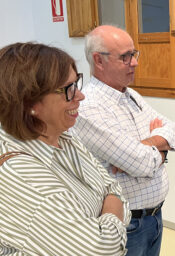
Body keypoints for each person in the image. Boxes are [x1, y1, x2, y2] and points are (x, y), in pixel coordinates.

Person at [0, 42, 130, 255]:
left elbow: (112, 186)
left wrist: (109, 210)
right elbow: (102, 249)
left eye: (76, 83)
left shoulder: (64, 136)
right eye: (68, 89)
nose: (80, 96)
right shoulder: (23, 176)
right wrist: (113, 207)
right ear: (29, 102)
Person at [73, 25, 175, 256]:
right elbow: (142, 164)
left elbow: (174, 130)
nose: (135, 62)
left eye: (134, 54)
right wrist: (161, 150)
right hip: (129, 226)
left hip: (154, 217)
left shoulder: (131, 95)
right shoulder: (89, 107)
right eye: (125, 57)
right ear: (98, 61)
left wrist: (143, 145)